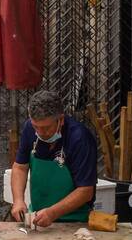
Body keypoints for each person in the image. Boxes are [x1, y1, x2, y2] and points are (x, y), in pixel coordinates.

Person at [10, 89, 97, 229]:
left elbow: (85, 191)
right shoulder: (29, 129)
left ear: (60, 120)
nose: (40, 133)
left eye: (46, 128)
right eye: (35, 126)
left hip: (75, 222)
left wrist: (52, 213)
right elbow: (20, 167)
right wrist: (18, 200)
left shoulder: (80, 139)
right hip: (38, 217)